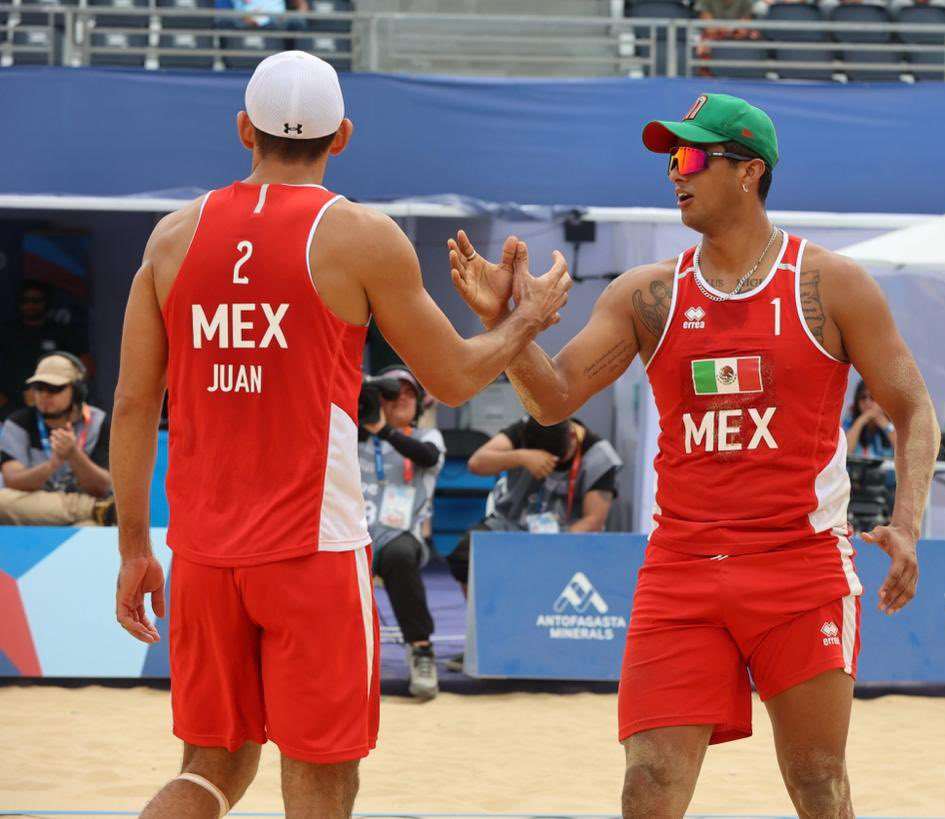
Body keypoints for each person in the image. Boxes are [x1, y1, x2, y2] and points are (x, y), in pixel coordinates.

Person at [448, 92, 940, 817]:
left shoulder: (830, 284)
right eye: (669, 160)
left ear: (748, 172)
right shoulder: (649, 294)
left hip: (798, 564)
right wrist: (513, 327)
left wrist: (908, 520)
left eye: (688, 157)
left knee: (817, 782)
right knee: (647, 786)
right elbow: (551, 400)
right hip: (682, 566)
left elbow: (913, 409)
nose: (673, 173)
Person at [110, 50, 569, 818]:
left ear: (242, 131)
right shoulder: (359, 235)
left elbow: (130, 403)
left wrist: (132, 547)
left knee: (209, 768)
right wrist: (526, 319)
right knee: (324, 775)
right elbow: (454, 379)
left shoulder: (171, 237)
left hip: (202, 550)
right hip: (310, 549)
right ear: (343, 136)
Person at [446, 416, 622, 588]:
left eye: (557, 460)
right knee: (464, 558)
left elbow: (594, 521)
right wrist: (522, 457)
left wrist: (548, 546)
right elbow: (476, 464)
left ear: (572, 436)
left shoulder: (600, 456)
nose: (550, 464)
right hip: (510, 523)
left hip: (565, 535)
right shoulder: (524, 429)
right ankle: (478, 617)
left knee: (543, 568)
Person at [358, 366, 445, 701]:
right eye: (393, 394)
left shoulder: (426, 438)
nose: (402, 399)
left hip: (398, 533)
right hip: (354, 534)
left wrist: (383, 430)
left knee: (400, 556)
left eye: (410, 394)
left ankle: (421, 652)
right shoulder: (353, 434)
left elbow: (427, 457)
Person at [0, 352, 115, 526]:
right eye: (39, 387)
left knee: (89, 526)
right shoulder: (18, 422)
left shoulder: (100, 423)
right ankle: (91, 508)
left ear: (77, 391)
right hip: (33, 507)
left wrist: (74, 454)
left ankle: (92, 511)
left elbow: (102, 487)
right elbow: (13, 481)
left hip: (77, 517)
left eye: (54, 389)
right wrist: (52, 465)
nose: (45, 395)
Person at [0, 280, 92, 416]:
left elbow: (86, 367)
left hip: (57, 408)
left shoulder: (62, 332)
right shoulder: (5, 332)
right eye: (25, 300)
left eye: (36, 300)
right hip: (10, 408)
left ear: (46, 302)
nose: (30, 305)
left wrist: (65, 395)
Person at [844, 378, 896, 458]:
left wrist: (885, 424)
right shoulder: (850, 419)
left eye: (872, 397)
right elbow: (845, 452)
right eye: (863, 397)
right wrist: (860, 421)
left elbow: (904, 452)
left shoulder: (892, 420)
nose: (867, 402)